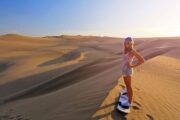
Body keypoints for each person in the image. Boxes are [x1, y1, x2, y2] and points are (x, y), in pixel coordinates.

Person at [120, 37, 145, 108]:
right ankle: (128, 99)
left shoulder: (132, 51)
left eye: (127, 43)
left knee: (129, 86)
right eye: (125, 43)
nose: (126, 44)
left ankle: (129, 102)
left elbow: (142, 60)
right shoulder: (125, 50)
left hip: (128, 70)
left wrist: (132, 66)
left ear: (131, 43)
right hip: (124, 70)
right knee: (127, 86)